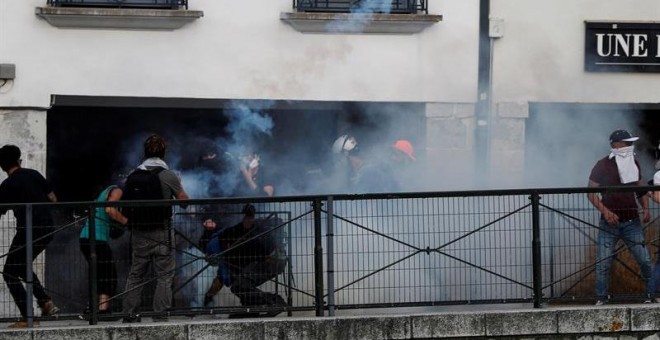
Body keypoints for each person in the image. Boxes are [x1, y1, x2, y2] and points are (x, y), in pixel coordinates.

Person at [121, 134, 189, 323]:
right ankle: (160, 315)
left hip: (139, 232)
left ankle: (130, 314)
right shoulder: (168, 175)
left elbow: (124, 202)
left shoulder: (134, 175)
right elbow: (185, 202)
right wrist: (178, 185)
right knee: (165, 276)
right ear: (164, 153)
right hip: (162, 232)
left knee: (136, 274)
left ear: (144, 152)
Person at [587, 129, 654, 305]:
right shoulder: (602, 165)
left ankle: (650, 294)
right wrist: (606, 212)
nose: (630, 146)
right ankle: (601, 298)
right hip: (609, 222)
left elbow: (639, 188)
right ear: (616, 145)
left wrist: (645, 207)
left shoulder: (634, 163)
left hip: (632, 220)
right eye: (627, 143)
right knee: (603, 262)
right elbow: (591, 192)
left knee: (645, 260)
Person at [0, 145, 59, 328]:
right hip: (47, 228)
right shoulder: (33, 174)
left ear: (2, 166)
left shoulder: (8, 185)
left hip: (28, 229)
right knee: (21, 265)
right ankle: (45, 302)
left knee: (10, 272)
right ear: (19, 160)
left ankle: (28, 317)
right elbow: (53, 198)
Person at [200, 204, 286, 315]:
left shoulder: (257, 232)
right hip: (264, 261)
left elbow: (270, 253)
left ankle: (275, 303)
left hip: (272, 261)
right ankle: (250, 310)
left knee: (240, 285)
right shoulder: (231, 235)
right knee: (240, 283)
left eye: (249, 217)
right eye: (246, 217)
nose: (247, 220)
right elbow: (220, 278)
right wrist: (209, 296)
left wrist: (209, 296)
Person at [79, 170, 129, 315]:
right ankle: (102, 310)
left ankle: (93, 308)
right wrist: (127, 222)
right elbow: (110, 210)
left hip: (87, 238)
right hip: (96, 239)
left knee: (98, 273)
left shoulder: (106, 191)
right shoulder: (117, 190)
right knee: (108, 273)